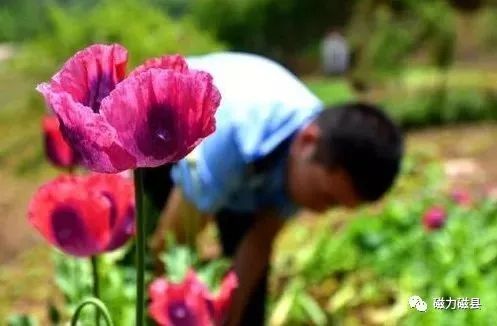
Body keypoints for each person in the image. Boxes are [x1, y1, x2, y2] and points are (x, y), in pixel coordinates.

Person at [148, 52, 404, 326]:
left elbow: (258, 243)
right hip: (166, 124)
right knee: (169, 267)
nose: (320, 211)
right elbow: (172, 242)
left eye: (336, 206)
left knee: (249, 304)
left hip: (255, 171)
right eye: (327, 199)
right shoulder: (237, 135)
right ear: (307, 141)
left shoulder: (316, 157)